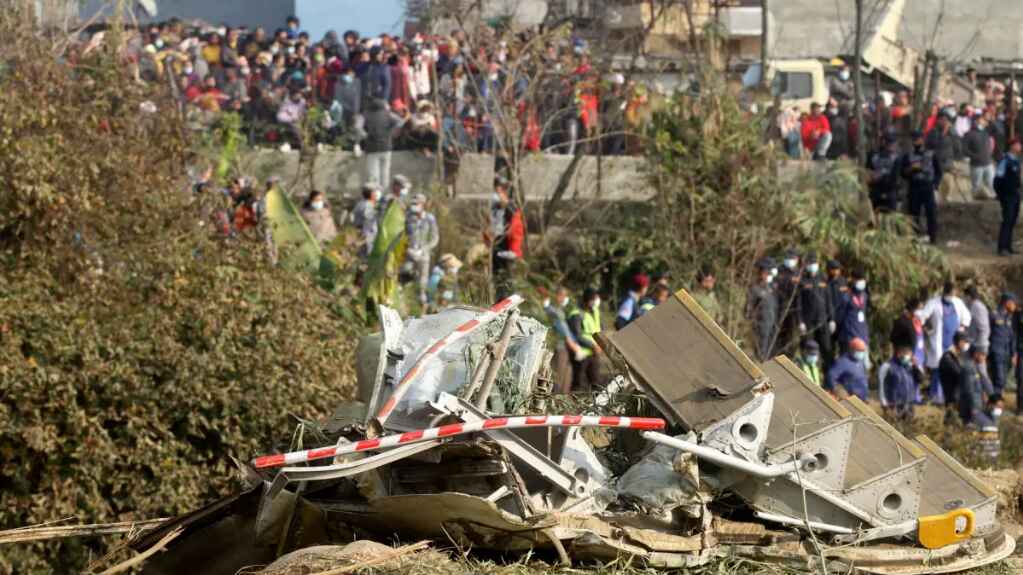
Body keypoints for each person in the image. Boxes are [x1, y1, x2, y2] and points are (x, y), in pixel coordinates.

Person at [920, 281, 972, 404]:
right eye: (949, 293)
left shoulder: (958, 302)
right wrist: (928, 329)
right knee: (938, 368)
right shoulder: (934, 303)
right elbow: (922, 317)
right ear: (944, 292)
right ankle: (935, 395)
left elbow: (967, 317)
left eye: (953, 293)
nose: (951, 296)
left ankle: (949, 397)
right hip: (939, 342)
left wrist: (962, 328)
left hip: (953, 343)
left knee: (953, 369)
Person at [901, 130, 943, 244]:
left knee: (931, 214)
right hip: (914, 187)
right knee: (914, 214)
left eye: (918, 139)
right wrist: (911, 169)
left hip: (928, 187)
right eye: (914, 139)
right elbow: (903, 174)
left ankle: (932, 238)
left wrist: (935, 184)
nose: (916, 141)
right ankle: (914, 238)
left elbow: (939, 172)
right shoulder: (908, 156)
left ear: (922, 139)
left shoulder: (931, 154)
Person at [488, 178, 524, 301]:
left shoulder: (512, 209)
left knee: (507, 279)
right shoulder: (495, 208)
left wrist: (513, 250)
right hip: (496, 247)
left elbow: (516, 231)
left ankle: (508, 300)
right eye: (496, 190)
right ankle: (499, 300)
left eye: (500, 191)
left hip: (508, 249)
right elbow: (489, 227)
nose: (498, 194)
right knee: (497, 278)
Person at [543, 286, 584, 394]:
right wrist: (575, 347)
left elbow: (564, 329)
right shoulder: (559, 310)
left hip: (564, 347)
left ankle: (558, 399)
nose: (563, 298)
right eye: (562, 295)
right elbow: (564, 331)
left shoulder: (559, 310)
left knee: (562, 375)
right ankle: (558, 401)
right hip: (565, 347)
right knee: (562, 376)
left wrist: (573, 343)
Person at [798, 253, 832, 368]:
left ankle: (827, 378)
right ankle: (806, 374)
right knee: (808, 347)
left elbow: (829, 301)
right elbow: (799, 303)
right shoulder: (803, 280)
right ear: (807, 265)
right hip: (808, 321)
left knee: (826, 347)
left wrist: (832, 319)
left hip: (822, 320)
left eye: (815, 263)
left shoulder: (823, 278)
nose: (813, 265)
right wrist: (800, 321)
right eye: (810, 263)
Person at [404, 193, 439, 305]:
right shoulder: (407, 217)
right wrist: (407, 248)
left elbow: (435, 238)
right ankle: (407, 300)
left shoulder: (429, 218)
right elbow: (402, 235)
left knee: (423, 280)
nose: (415, 205)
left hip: (423, 254)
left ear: (423, 204)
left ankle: (422, 303)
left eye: (417, 203)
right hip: (409, 253)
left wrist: (424, 249)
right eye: (414, 203)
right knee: (406, 274)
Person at [363, 98, 406, 187]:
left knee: (374, 177)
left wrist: (365, 136)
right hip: (386, 148)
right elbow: (401, 122)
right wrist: (391, 132)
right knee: (385, 174)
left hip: (372, 149)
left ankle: (375, 197)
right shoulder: (388, 115)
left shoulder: (367, 115)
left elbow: (357, 127)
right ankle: (384, 196)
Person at [567, 287, 603, 392]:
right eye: (592, 300)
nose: (594, 302)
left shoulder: (594, 312)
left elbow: (599, 328)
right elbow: (577, 335)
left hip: (593, 354)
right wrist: (593, 346)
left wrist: (600, 345)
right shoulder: (576, 314)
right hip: (581, 354)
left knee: (596, 383)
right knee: (578, 384)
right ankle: (571, 406)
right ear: (586, 300)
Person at [994, 138, 1022, 256]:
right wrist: (1001, 195)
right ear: (1012, 146)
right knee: (1007, 221)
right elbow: (997, 180)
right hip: (1007, 196)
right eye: (1018, 145)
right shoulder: (1005, 161)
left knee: (1012, 221)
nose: (1020, 147)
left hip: (1016, 195)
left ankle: (1008, 246)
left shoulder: (1016, 161)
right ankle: (1002, 248)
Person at [748, 258, 778, 362]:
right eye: (766, 272)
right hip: (761, 327)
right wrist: (755, 323)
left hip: (771, 326)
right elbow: (748, 310)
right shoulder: (755, 289)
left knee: (770, 354)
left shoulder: (771, 288)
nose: (768, 275)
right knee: (761, 355)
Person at [987, 292, 1017, 396]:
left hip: (1007, 353)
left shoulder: (1009, 317)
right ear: (1007, 303)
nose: (1014, 305)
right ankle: (996, 403)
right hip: (996, 351)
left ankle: (996, 401)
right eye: (1013, 303)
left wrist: (1014, 353)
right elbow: (987, 333)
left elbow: (1012, 336)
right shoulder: (993, 314)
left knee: (1003, 379)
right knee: (998, 378)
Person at [959, 345, 996, 429]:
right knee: (990, 426)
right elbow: (969, 390)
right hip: (971, 409)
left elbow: (985, 383)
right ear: (976, 354)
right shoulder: (968, 368)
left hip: (977, 406)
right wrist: (974, 409)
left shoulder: (975, 366)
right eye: (983, 355)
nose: (985, 357)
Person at [883, 345, 923, 421]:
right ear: (898, 354)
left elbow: (920, 379)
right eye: (904, 354)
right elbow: (885, 386)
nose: (906, 356)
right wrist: (887, 403)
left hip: (909, 403)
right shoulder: (891, 367)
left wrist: (916, 366)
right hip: (896, 404)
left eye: (908, 354)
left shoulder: (911, 367)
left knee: (909, 427)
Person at [939, 332, 972, 422]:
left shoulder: (958, 355)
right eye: (965, 342)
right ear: (960, 342)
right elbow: (959, 372)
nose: (966, 345)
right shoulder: (948, 357)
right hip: (952, 394)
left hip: (957, 393)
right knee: (952, 418)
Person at [835, 268, 869, 354]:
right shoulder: (847, 296)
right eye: (859, 279)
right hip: (849, 337)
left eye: (863, 279)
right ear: (853, 280)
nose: (862, 281)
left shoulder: (864, 296)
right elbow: (839, 317)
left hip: (862, 335)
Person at [775, 249, 802, 356]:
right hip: (781, 306)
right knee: (779, 333)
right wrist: (790, 280)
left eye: (793, 259)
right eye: (789, 258)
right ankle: (778, 355)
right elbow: (777, 281)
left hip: (794, 309)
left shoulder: (799, 272)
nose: (790, 261)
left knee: (792, 336)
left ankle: (790, 356)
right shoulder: (780, 270)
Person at [867, 133, 901, 213]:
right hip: (876, 192)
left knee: (891, 218)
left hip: (889, 192)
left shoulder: (896, 158)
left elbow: (894, 178)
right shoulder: (873, 156)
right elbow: (868, 173)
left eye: (892, 143)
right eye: (889, 143)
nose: (891, 146)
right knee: (875, 217)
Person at [964, 116, 995, 200]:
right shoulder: (969, 134)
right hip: (976, 165)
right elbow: (964, 149)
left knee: (991, 183)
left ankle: (993, 200)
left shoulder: (985, 132)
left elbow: (994, 128)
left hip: (988, 163)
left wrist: (989, 120)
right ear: (976, 121)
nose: (984, 122)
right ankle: (975, 202)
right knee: (976, 185)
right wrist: (974, 156)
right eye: (982, 120)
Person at [351, 183, 380, 257]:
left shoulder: (361, 203)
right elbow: (367, 226)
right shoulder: (368, 206)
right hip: (366, 241)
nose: (377, 194)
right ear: (371, 194)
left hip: (361, 238)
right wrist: (365, 240)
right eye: (375, 192)